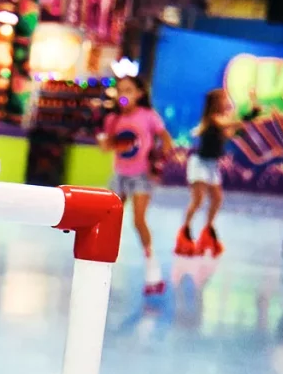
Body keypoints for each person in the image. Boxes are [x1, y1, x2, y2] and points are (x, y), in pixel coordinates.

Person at [98, 75, 173, 295]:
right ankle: (101, 264)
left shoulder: (148, 116)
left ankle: (153, 270)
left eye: (129, 90)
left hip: (141, 175)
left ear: (139, 94)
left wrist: (159, 159)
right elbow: (107, 146)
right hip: (120, 174)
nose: (124, 95)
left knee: (138, 220)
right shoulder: (113, 119)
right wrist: (106, 138)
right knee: (108, 218)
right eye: (121, 91)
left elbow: (166, 139)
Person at [175, 87, 260, 257]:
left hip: (211, 165)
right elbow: (230, 123)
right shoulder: (212, 119)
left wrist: (253, 107)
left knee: (217, 198)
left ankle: (208, 231)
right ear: (216, 102)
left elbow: (234, 130)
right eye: (224, 99)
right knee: (198, 201)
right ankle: (184, 232)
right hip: (199, 164)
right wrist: (248, 114)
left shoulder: (221, 121)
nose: (227, 101)